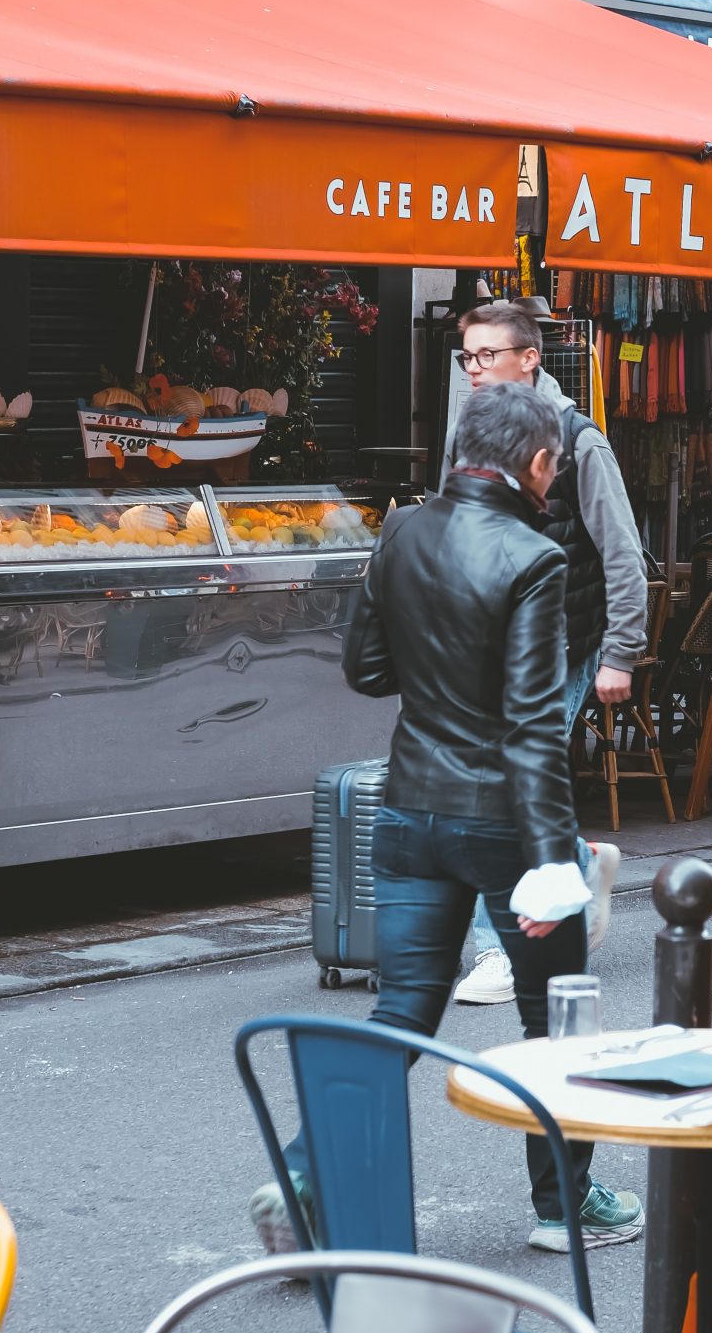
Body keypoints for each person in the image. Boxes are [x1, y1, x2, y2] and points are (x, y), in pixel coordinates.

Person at [252, 380, 643, 1255]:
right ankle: (563, 1207)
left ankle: (307, 1174)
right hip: (504, 825)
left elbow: (365, 668)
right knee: (554, 1020)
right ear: (540, 463)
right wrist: (551, 862)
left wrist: (435, 666)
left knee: (401, 1012)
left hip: (409, 812)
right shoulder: (533, 557)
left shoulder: (400, 532)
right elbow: (535, 724)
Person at [449, 297, 648, 1007]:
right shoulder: (468, 435)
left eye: (487, 356)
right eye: (467, 357)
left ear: (529, 359)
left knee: (503, 791)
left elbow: (623, 552)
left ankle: (498, 948)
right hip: (486, 646)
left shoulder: (576, 439)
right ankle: (577, 863)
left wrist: (620, 652)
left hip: (563, 645)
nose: (474, 370)